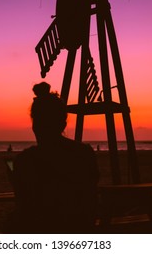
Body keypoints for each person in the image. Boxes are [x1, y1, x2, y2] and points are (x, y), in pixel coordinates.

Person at [12, 82, 99, 233]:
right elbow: (90, 197)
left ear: (34, 125)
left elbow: (24, 204)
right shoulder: (84, 153)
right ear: (63, 124)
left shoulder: (24, 160)